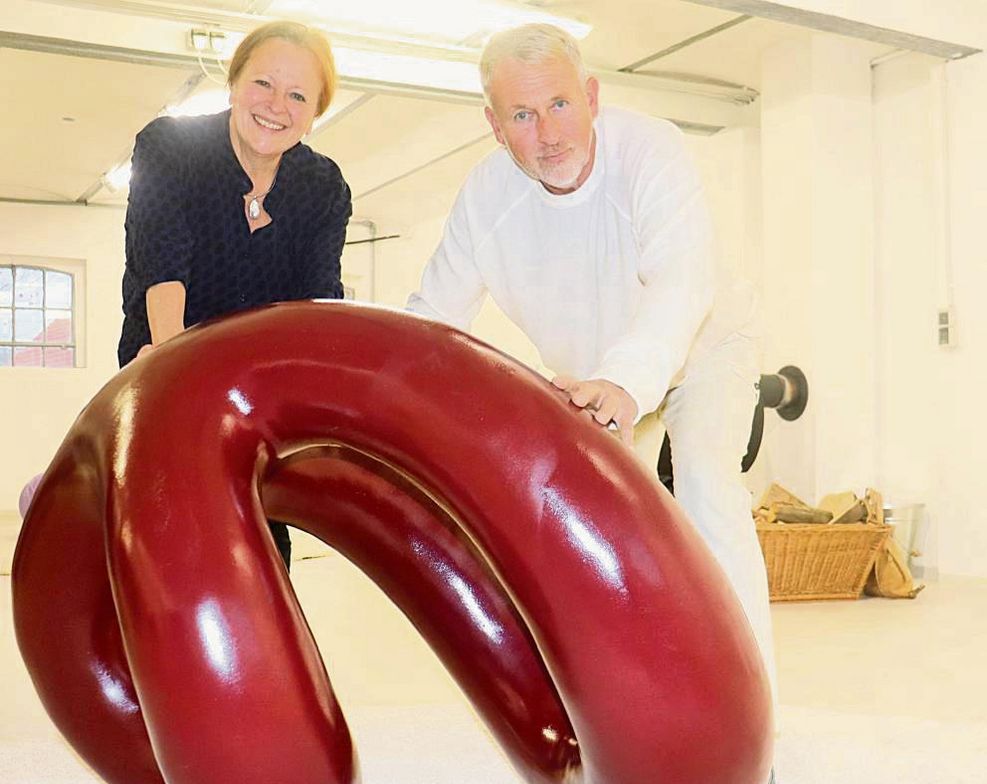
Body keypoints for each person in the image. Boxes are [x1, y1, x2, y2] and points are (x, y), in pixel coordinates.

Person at [407, 23, 777, 706]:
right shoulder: (484, 200)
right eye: (522, 115)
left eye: (559, 104)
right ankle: (638, 691)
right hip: (594, 379)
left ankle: (751, 708)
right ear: (494, 126)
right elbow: (430, 322)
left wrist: (628, 381)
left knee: (704, 483)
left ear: (592, 97)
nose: (548, 133)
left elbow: (681, 282)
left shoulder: (649, 150)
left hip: (703, 346)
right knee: (606, 521)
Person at [119, 20, 352, 569]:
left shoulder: (322, 187)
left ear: (316, 112)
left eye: (298, 95)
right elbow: (162, 267)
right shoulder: (170, 148)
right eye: (263, 83)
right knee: (174, 529)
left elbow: (317, 304)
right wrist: (174, 380)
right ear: (234, 82)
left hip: (256, 391)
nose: (277, 105)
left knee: (262, 547)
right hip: (164, 354)